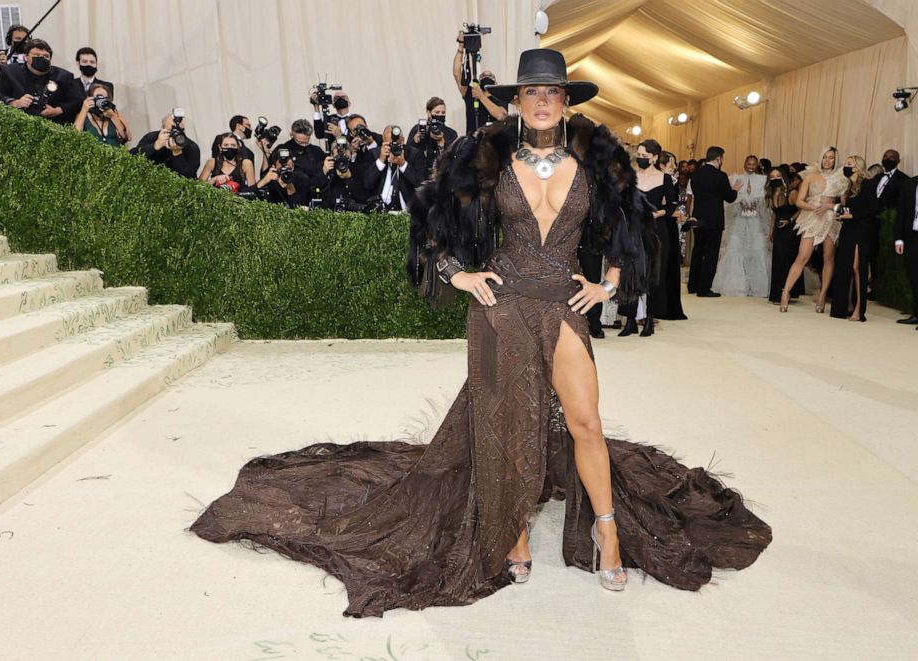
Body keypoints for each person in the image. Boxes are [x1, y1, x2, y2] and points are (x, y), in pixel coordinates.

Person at [190, 48, 771, 618]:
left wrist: (608, 284)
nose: (542, 102)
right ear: (517, 101)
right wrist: (459, 275)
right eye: (531, 92)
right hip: (502, 306)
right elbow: (429, 221)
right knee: (505, 425)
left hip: (563, 306)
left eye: (552, 92)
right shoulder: (484, 158)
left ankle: (608, 532)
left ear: (566, 101)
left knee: (586, 422)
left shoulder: (597, 159)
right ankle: (511, 531)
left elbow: (629, 223)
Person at [779, 147, 848, 313]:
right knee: (802, 256)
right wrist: (812, 206)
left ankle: (823, 295)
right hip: (811, 217)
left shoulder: (842, 179)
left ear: (835, 160)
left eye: (831, 158)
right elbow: (799, 202)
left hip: (831, 219)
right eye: (825, 157)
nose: (827, 160)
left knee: (828, 258)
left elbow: (844, 206)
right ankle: (785, 292)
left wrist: (829, 206)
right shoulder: (810, 177)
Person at [618, 139, 672, 337]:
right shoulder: (631, 177)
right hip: (633, 230)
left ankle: (650, 318)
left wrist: (657, 213)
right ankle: (630, 320)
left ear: (655, 157)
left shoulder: (665, 179)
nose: (640, 159)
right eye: (638, 156)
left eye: (644, 156)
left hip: (656, 231)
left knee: (653, 275)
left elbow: (671, 206)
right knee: (630, 274)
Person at [713, 154, 771, 297]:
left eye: (753, 164)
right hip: (739, 221)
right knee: (735, 249)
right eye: (748, 163)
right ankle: (736, 285)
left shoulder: (763, 180)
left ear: (757, 165)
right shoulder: (735, 178)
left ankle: (758, 286)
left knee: (757, 249)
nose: (751, 166)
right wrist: (738, 199)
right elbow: (728, 201)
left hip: (756, 222)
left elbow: (768, 202)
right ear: (744, 164)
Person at [688, 146, 742, 297]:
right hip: (714, 220)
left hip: (697, 217)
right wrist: (735, 189)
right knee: (711, 253)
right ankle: (704, 289)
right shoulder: (720, 176)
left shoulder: (695, 175)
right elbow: (729, 197)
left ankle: (692, 285)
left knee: (698, 250)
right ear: (718, 159)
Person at [0, 39, 82, 125]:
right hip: (19, 124)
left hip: (54, 125)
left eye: (46, 56)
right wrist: (15, 103)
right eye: (37, 55)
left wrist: (57, 110)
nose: (41, 58)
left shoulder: (64, 76)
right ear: (26, 57)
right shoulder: (11, 72)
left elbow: (77, 100)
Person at [830, 156, 876, 321]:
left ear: (857, 167)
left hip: (861, 231)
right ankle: (844, 306)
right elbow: (848, 209)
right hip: (847, 230)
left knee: (857, 268)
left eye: (849, 164)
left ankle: (859, 309)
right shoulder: (848, 187)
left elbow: (872, 209)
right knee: (844, 268)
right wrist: (841, 214)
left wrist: (852, 215)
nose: (845, 167)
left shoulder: (868, 185)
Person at [870, 149, 908, 297]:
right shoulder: (877, 178)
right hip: (873, 222)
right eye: (885, 156)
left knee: (886, 256)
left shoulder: (904, 180)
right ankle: (874, 285)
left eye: (892, 157)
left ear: (898, 161)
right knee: (873, 255)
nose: (888, 159)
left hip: (889, 225)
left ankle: (885, 289)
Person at [453, 31, 506, 134]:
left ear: (495, 83)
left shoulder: (501, 97)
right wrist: (461, 46)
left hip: (492, 145)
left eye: (490, 75)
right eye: (483, 75)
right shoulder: (470, 93)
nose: (486, 76)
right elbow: (456, 73)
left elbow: (501, 116)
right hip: (473, 143)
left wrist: (481, 96)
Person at [363, 125, 426, 212]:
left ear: (403, 140)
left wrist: (403, 164)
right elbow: (367, 184)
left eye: (397, 144)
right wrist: (381, 160)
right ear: (383, 141)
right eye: (390, 144)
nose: (393, 147)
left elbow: (421, 184)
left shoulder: (414, 154)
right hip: (380, 211)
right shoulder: (374, 154)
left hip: (407, 210)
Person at [767, 167, 804, 304]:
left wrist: (791, 220)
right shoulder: (772, 193)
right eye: (772, 176)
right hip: (778, 230)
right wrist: (771, 231)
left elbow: (801, 209)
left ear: (783, 177)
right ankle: (777, 293)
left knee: (786, 260)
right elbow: (774, 214)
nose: (775, 178)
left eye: (777, 176)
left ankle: (785, 292)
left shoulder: (791, 193)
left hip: (790, 230)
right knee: (777, 260)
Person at [658, 150, 687, 320]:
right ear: (661, 165)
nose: (674, 167)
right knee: (663, 264)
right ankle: (662, 307)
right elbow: (660, 205)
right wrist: (675, 213)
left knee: (671, 264)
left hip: (669, 225)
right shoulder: (659, 181)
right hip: (661, 224)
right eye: (672, 164)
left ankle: (669, 306)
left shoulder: (671, 180)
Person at [130, 113, 201, 179]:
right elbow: (131, 158)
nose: (175, 135)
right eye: (171, 131)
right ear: (162, 129)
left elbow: (189, 178)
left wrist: (177, 153)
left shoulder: (191, 147)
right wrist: (155, 146)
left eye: (179, 131)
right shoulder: (152, 137)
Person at [408, 96, 459, 177]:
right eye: (437, 112)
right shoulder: (417, 129)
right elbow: (408, 156)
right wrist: (416, 140)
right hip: (421, 176)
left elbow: (454, 161)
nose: (440, 115)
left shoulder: (451, 133)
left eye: (443, 113)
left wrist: (441, 144)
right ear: (429, 113)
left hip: (443, 176)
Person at [318, 136, 370, 210]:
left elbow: (364, 198)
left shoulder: (359, 169)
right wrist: (324, 172)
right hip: (330, 212)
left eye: (345, 154)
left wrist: (349, 179)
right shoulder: (326, 168)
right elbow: (314, 190)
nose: (342, 157)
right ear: (331, 155)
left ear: (351, 154)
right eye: (338, 155)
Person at [894, 174, 918, 326]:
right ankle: (916, 313)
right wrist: (899, 239)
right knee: (914, 276)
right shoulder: (910, 184)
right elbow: (901, 213)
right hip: (912, 236)